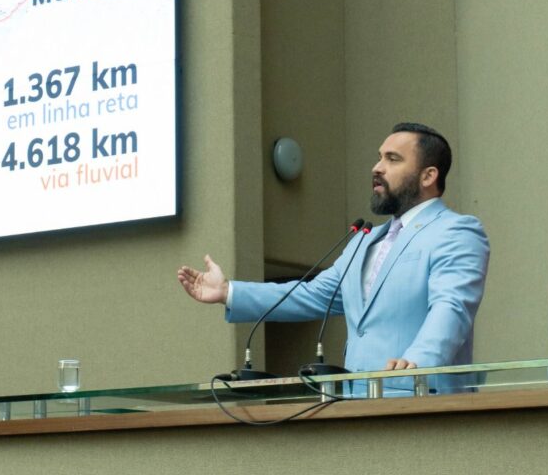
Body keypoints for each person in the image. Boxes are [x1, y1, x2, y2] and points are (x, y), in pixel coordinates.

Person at [178, 122, 489, 389]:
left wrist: (419, 362)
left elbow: (451, 308)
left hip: (422, 405)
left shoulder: (455, 231)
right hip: (354, 407)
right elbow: (312, 294)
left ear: (428, 176)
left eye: (393, 159)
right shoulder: (363, 241)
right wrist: (229, 292)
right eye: (379, 157)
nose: (377, 167)